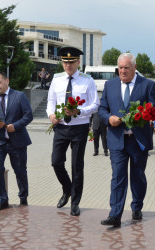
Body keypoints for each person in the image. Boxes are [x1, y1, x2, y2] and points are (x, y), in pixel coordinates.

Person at [98, 53, 155, 227]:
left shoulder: (147, 85)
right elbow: (102, 109)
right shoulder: (110, 85)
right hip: (117, 140)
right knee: (117, 177)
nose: (123, 71)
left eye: (126, 68)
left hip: (138, 140)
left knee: (138, 176)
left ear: (134, 67)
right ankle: (115, 214)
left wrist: (141, 115)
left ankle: (137, 206)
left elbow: (154, 110)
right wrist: (109, 118)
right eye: (120, 68)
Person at [46, 46, 99, 216]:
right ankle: (67, 188)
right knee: (56, 161)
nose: (68, 65)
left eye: (71, 62)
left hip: (79, 127)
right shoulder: (57, 79)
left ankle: (75, 202)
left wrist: (79, 111)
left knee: (77, 166)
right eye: (65, 62)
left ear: (78, 62)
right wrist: (51, 114)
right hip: (61, 127)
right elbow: (50, 101)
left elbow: (95, 105)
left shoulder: (87, 80)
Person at [0, 71, 33, 212]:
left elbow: (28, 115)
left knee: (20, 171)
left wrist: (16, 126)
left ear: (7, 81)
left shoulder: (19, 96)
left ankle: (23, 198)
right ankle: (2, 200)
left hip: (18, 141)